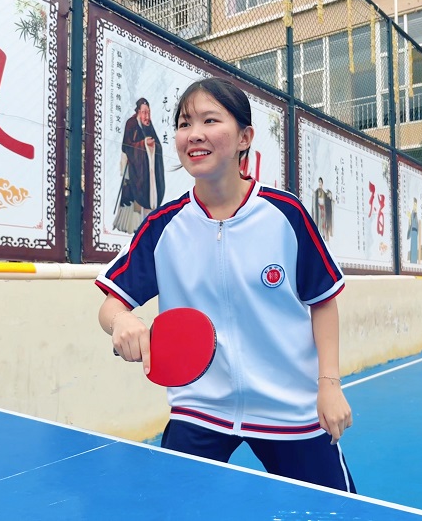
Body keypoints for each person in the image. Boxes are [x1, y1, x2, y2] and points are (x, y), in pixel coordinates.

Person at [96, 77, 355, 492]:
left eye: (210, 120)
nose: (194, 134)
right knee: (172, 510)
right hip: (199, 409)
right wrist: (121, 321)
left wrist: (329, 385)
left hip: (289, 411)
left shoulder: (286, 215)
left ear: (244, 138)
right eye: (184, 124)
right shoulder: (163, 226)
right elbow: (111, 304)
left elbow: (322, 301)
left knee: (336, 513)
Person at [113, 97, 166, 234]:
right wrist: (143, 145)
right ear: (137, 112)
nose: (147, 116)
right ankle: (133, 226)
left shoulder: (148, 126)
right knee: (132, 197)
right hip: (133, 168)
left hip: (147, 171)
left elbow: (158, 146)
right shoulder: (131, 124)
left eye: (148, 112)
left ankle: (147, 226)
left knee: (146, 194)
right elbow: (127, 146)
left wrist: (153, 146)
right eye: (144, 112)